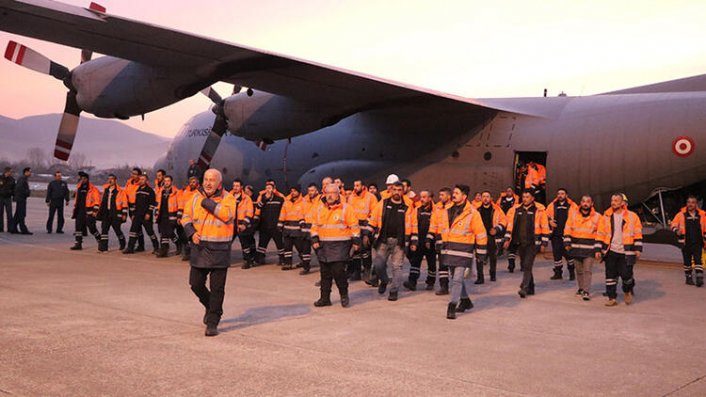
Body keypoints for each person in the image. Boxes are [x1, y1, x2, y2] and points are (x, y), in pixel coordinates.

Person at [181, 168, 236, 336]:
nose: (208, 183)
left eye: (212, 180)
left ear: (219, 183)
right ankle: (210, 305)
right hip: (200, 249)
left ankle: (213, 321)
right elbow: (185, 217)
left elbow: (227, 215)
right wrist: (191, 233)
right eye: (206, 179)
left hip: (220, 250)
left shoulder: (229, 198)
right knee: (195, 284)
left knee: (217, 288)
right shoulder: (195, 197)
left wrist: (208, 203)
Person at [429, 184, 487, 319]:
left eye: (457, 193)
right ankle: (466, 300)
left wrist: (481, 253)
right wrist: (440, 243)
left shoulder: (473, 213)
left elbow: (481, 233)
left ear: (464, 196)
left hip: (463, 250)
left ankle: (452, 305)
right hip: (450, 249)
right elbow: (443, 229)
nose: (454, 195)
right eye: (453, 192)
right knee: (457, 278)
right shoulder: (447, 210)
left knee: (456, 279)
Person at [310, 183, 360, 308]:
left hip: (340, 245)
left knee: (338, 272)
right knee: (325, 274)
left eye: (333, 193)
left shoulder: (346, 208)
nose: (330, 195)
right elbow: (315, 226)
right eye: (328, 193)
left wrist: (356, 241)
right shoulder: (320, 208)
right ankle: (325, 298)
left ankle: (344, 295)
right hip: (323, 246)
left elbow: (354, 225)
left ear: (338, 194)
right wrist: (314, 239)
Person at [367, 181, 418, 301]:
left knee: (397, 267)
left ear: (403, 191)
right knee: (378, 264)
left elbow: (413, 224)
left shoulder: (408, 206)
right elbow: (373, 219)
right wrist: (367, 234)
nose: (397, 192)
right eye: (394, 190)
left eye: (399, 190)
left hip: (399, 242)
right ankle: (384, 280)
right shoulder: (383, 204)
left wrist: (414, 241)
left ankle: (394, 290)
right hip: (383, 240)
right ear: (391, 190)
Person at [598, 193, 643, 306]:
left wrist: (638, 249)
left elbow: (637, 233)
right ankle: (611, 297)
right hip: (611, 251)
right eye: (612, 200)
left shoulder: (632, 216)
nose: (613, 202)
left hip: (626, 251)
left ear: (623, 203)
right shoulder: (606, 216)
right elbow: (600, 233)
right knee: (610, 275)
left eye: (616, 200)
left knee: (626, 274)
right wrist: (598, 249)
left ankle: (627, 290)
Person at [503, 190, 550, 298]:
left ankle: (524, 287)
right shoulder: (516, 209)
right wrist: (507, 239)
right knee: (525, 265)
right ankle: (531, 287)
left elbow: (545, 226)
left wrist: (544, 242)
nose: (525, 199)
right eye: (523, 196)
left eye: (527, 197)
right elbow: (510, 225)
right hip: (520, 242)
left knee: (527, 265)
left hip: (533, 242)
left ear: (532, 198)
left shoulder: (539, 210)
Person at [563, 195, 602, 300]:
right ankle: (580, 288)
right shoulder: (573, 215)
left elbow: (600, 233)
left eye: (588, 202)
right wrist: (567, 243)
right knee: (579, 271)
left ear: (592, 204)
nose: (585, 204)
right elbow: (567, 229)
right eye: (583, 201)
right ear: (580, 202)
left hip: (589, 249)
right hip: (575, 248)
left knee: (587, 270)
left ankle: (586, 291)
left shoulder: (598, 217)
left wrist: (598, 249)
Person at [404, 190, 437, 291]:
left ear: (430, 198)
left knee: (431, 263)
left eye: (424, 197)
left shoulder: (436, 211)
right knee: (415, 262)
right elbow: (413, 226)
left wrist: (431, 239)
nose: (421, 199)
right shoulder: (417, 210)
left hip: (431, 242)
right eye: (421, 197)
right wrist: (413, 242)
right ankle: (412, 282)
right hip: (419, 241)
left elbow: (436, 226)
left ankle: (430, 282)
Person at [670, 196, 706, 287]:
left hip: (698, 242)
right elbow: (673, 224)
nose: (690, 204)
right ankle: (688, 278)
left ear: (696, 204)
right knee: (687, 261)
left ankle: (699, 278)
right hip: (685, 242)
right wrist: (676, 230)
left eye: (692, 202)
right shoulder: (681, 214)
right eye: (688, 202)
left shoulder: (702, 215)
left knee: (698, 259)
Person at [347, 179, 378, 281]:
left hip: (366, 228)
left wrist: (368, 231)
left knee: (365, 251)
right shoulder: (351, 197)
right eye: (354, 185)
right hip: (355, 228)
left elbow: (374, 214)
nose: (355, 188)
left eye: (357, 185)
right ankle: (356, 272)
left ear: (363, 186)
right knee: (356, 251)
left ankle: (367, 270)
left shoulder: (371, 197)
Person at [475, 191, 506, 284]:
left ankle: (493, 274)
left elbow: (504, 220)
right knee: (479, 257)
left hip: (491, 236)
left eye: (487, 196)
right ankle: (480, 277)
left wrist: (496, 229)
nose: (485, 198)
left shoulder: (497, 209)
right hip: (480, 236)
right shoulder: (476, 210)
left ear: (490, 198)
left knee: (493, 256)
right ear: (481, 198)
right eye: (483, 196)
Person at [123, 174, 160, 254]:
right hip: (137, 215)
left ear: (146, 181)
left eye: (143, 179)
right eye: (140, 179)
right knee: (133, 231)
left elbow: (152, 204)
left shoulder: (150, 191)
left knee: (150, 232)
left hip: (146, 215)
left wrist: (149, 213)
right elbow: (135, 203)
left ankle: (156, 247)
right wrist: (133, 213)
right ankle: (130, 248)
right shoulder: (138, 190)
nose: (141, 181)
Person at [546, 188, 578, 281]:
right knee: (557, 255)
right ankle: (558, 273)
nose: (560, 195)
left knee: (569, 254)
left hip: (567, 234)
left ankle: (572, 272)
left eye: (562, 193)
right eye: (558, 193)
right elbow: (545, 215)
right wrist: (549, 221)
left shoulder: (572, 206)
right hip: (556, 233)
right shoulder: (552, 205)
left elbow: (577, 218)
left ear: (566, 195)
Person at [278, 185, 310, 271]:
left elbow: (305, 214)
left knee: (300, 248)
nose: (293, 193)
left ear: (299, 192)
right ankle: (288, 263)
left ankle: (305, 262)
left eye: (295, 191)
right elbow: (283, 212)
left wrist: (303, 225)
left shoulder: (304, 202)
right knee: (287, 247)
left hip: (297, 229)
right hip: (287, 229)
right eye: (291, 191)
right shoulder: (287, 201)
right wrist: (280, 223)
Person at [254, 180, 285, 265]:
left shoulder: (279, 199)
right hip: (265, 226)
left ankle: (282, 259)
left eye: (270, 188)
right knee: (262, 244)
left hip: (275, 226)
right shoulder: (263, 198)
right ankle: (260, 259)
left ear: (274, 189)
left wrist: (281, 223)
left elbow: (284, 210)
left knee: (279, 244)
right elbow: (258, 207)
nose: (268, 190)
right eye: (267, 188)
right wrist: (264, 199)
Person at [430, 187, 453, 295]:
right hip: (439, 239)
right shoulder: (437, 208)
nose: (440, 197)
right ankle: (444, 286)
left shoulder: (453, 208)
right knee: (442, 265)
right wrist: (429, 237)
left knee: (453, 264)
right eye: (440, 195)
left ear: (449, 196)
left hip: (451, 239)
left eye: (442, 195)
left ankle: (458, 286)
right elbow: (433, 224)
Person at [96, 174, 127, 252]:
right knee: (104, 230)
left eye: (112, 179)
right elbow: (102, 202)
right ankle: (103, 248)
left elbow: (124, 203)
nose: (110, 180)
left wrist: (124, 214)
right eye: (109, 179)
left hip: (115, 213)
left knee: (117, 230)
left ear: (115, 180)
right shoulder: (106, 190)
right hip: (106, 213)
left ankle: (123, 243)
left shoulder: (120, 191)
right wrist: (98, 212)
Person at [70, 171, 100, 250]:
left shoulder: (93, 189)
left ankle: (100, 240)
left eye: (83, 178)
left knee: (92, 228)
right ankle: (78, 244)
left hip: (89, 211)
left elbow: (97, 200)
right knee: (78, 227)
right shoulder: (79, 187)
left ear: (87, 179)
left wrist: (95, 211)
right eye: (81, 178)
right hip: (79, 211)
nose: (82, 180)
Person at [230, 179, 256, 269]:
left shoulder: (246, 199)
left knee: (245, 244)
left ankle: (247, 261)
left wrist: (244, 224)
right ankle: (224, 260)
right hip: (231, 224)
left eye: (237, 186)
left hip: (241, 224)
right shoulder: (229, 197)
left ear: (241, 187)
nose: (235, 188)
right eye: (234, 186)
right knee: (226, 243)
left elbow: (250, 213)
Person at [155, 175, 180, 257]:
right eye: (165, 181)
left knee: (170, 233)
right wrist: (156, 213)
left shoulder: (176, 192)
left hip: (171, 215)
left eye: (168, 181)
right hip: (161, 215)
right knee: (163, 234)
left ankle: (178, 244)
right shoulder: (161, 192)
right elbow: (157, 203)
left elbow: (180, 204)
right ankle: (164, 251)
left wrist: (179, 216)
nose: (166, 183)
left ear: (171, 182)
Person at [299, 183, 320, 275]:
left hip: (315, 229)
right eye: (309, 191)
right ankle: (306, 267)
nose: (310, 192)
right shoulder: (304, 200)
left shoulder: (320, 200)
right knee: (305, 251)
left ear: (316, 191)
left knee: (318, 250)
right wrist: (301, 221)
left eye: (312, 190)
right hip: (305, 230)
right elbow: (300, 212)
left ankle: (323, 268)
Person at [177, 177, 200, 261]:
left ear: (197, 183)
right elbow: (181, 205)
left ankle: (194, 254)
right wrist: (179, 217)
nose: (192, 184)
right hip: (186, 218)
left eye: (194, 182)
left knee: (194, 236)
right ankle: (187, 252)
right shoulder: (185, 193)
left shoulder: (199, 193)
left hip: (196, 219)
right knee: (184, 236)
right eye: (191, 182)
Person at [124, 168, 146, 252]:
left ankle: (131, 246)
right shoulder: (129, 183)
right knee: (138, 227)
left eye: (135, 174)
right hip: (130, 206)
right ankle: (141, 245)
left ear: (139, 175)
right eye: (132, 173)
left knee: (135, 227)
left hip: (138, 208)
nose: (133, 175)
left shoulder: (141, 185)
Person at [10, 167, 32, 235]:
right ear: (26, 172)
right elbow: (19, 189)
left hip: (21, 198)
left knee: (18, 214)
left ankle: (13, 228)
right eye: (30, 172)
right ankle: (23, 229)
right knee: (21, 214)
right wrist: (27, 192)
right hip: (21, 199)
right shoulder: (22, 179)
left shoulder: (23, 179)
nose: (30, 173)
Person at [0, 167, 15, 233]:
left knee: (9, 214)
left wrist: (14, 197)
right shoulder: (0, 178)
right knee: (0, 213)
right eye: (10, 171)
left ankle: (10, 228)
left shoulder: (12, 179)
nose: (11, 173)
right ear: (7, 171)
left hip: (8, 198)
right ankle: (0, 228)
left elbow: (14, 189)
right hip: (0, 198)